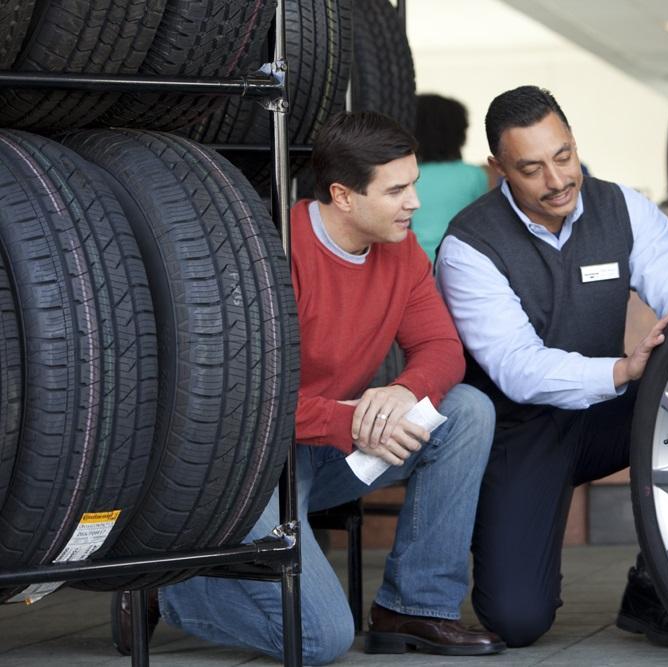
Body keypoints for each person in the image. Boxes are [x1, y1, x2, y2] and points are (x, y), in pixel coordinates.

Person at [111, 111, 504, 664]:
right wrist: (349, 422)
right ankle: (169, 587)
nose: (414, 201)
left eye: (411, 183)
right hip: (252, 468)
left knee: (466, 412)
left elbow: (443, 350)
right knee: (322, 639)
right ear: (343, 195)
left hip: (330, 450)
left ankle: (415, 607)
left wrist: (399, 393)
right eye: (397, 190)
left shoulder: (402, 251)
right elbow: (242, 401)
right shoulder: (270, 251)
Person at [435, 85, 668, 648]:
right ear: (499, 169)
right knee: (518, 620)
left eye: (563, 155)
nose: (557, 179)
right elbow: (518, 368)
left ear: (573, 141)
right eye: (533, 168)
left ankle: (655, 583)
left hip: (603, 419)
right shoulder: (469, 246)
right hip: (519, 433)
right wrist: (619, 371)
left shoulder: (622, 208)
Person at [411, 94, 490, 264]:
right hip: (456, 263)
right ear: (459, 133)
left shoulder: (405, 176)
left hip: (411, 263)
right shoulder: (474, 175)